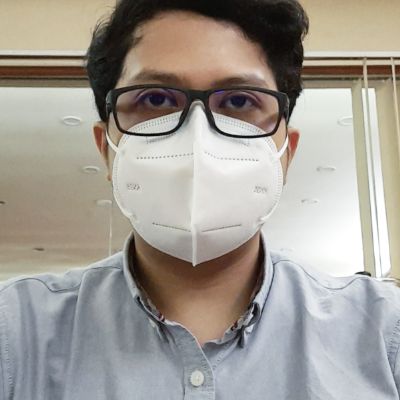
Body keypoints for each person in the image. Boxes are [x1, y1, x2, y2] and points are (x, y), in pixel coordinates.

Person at [1, 0, 400, 399]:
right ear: (107, 149)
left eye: (239, 102)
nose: (197, 136)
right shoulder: (15, 333)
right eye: (155, 100)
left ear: (285, 154)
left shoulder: (384, 332)